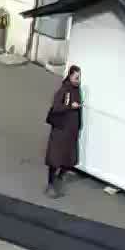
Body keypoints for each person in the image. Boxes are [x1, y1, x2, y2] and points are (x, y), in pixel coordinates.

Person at [45, 65, 85, 197]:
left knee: (69, 157)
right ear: (70, 76)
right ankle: (50, 185)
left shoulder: (76, 90)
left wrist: (79, 126)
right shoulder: (64, 90)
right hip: (61, 130)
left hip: (71, 131)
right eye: (76, 77)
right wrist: (70, 106)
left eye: (79, 77)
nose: (78, 80)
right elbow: (56, 107)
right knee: (55, 159)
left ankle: (60, 177)